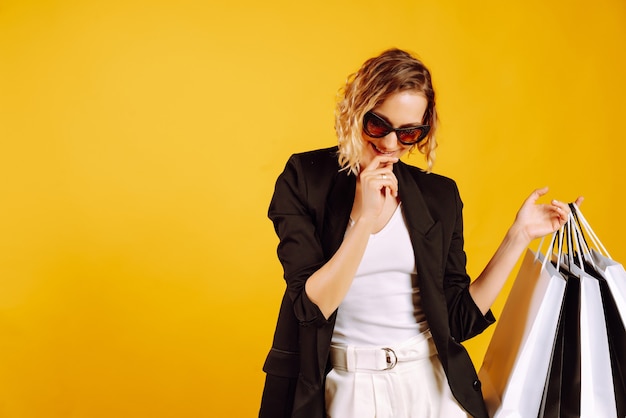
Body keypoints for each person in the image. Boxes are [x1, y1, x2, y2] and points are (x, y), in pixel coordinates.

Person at [259, 48, 582, 418]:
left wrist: (519, 235)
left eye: (409, 132)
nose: (392, 144)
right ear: (354, 109)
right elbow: (310, 308)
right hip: (351, 387)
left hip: (431, 383)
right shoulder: (305, 178)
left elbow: (458, 320)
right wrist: (363, 220)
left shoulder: (439, 196)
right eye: (378, 125)